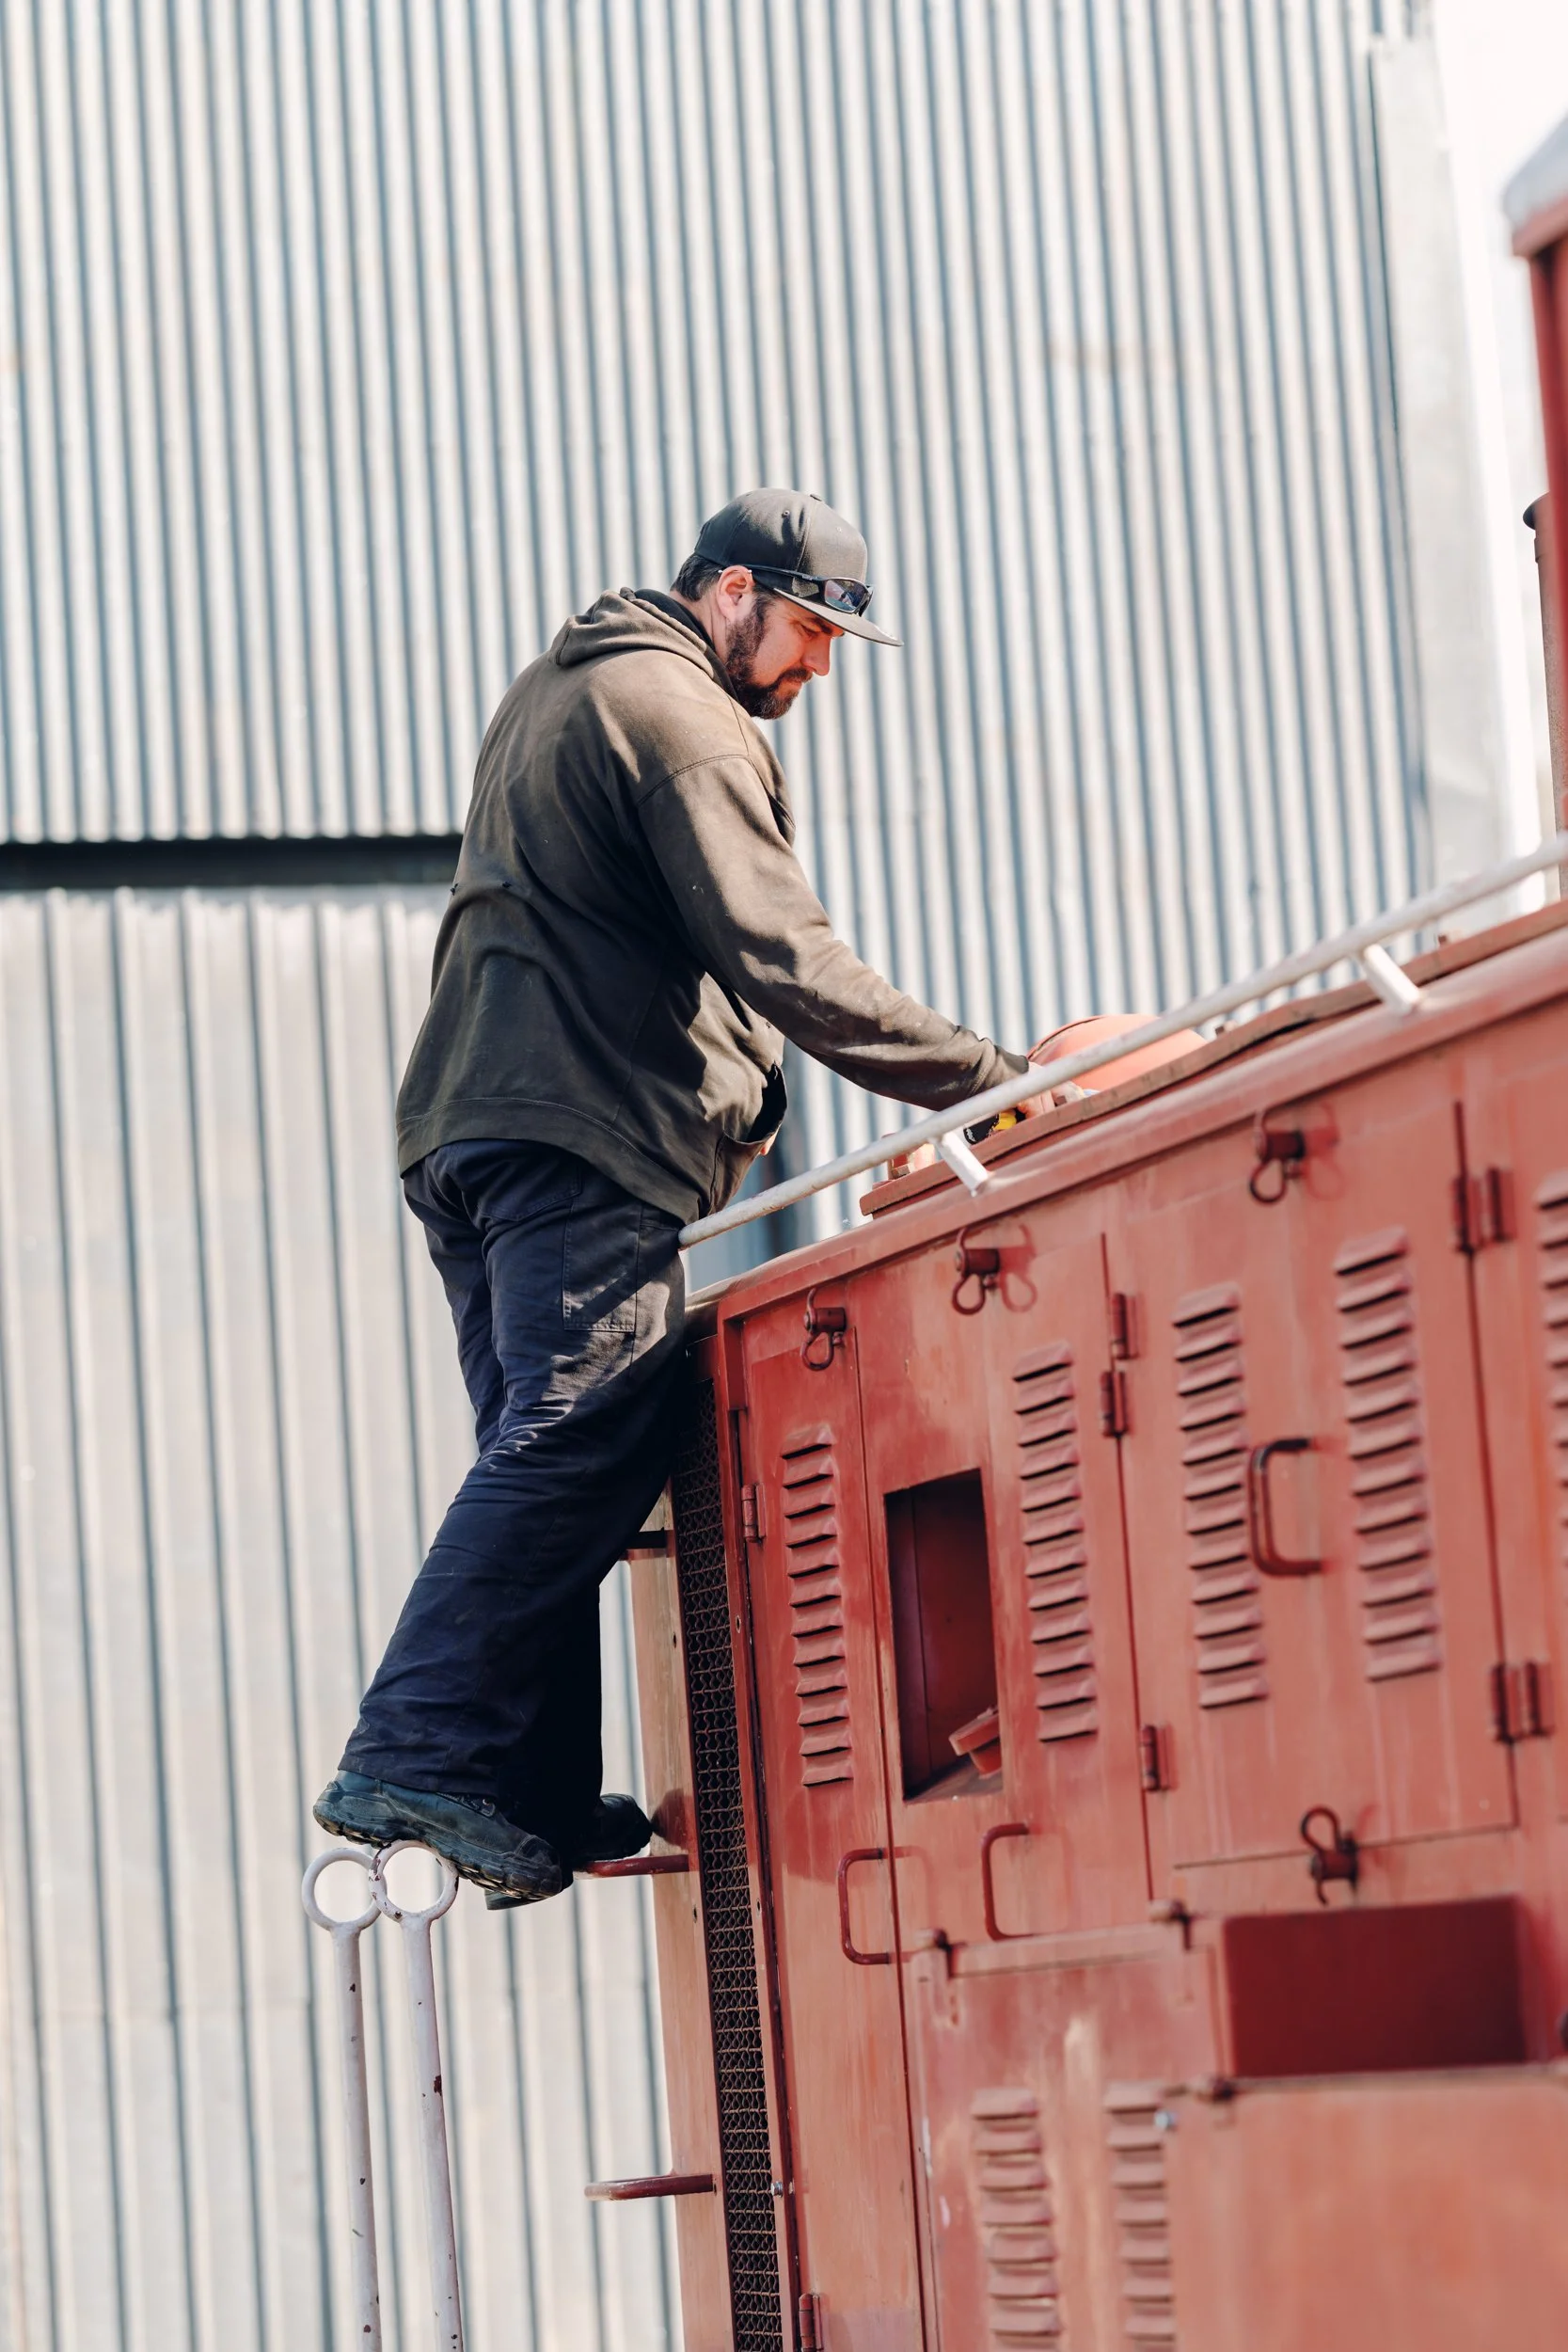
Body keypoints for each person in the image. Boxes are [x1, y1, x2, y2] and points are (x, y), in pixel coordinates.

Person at [313, 488, 1030, 1905]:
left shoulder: (560, 682)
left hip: (476, 1130)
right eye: (811, 634)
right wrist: (994, 1081)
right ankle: (412, 1751)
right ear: (732, 595)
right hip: (572, 1134)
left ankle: (528, 1788)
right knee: (582, 1431)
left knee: (555, 1455)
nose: (816, 672)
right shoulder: (682, 717)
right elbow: (788, 962)